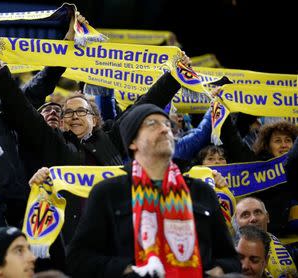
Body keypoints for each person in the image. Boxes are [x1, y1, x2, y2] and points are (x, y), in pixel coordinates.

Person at [65, 103, 240, 277]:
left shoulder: (201, 191)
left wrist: (218, 271)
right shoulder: (109, 193)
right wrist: (127, 269)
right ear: (133, 142)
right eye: (152, 124)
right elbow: (78, 259)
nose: (164, 129)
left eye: (167, 125)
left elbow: (230, 259)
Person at [233, 197, 297, 277]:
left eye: (257, 212)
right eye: (245, 215)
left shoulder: (292, 250)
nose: (253, 218)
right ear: (235, 222)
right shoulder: (225, 254)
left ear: (267, 217)